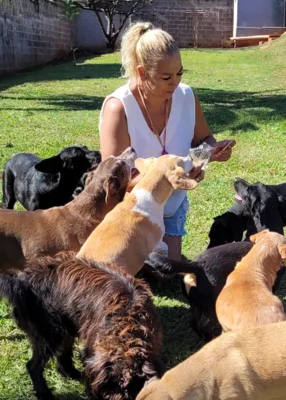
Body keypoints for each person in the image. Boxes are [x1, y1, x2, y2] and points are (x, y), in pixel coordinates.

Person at [99, 22, 235, 260]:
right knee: (140, 278)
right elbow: (113, 180)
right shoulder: (118, 108)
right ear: (142, 72)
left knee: (167, 272)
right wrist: (169, 176)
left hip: (173, 207)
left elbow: (203, 139)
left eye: (180, 73)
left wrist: (210, 152)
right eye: (165, 77)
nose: (175, 83)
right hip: (133, 212)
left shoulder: (186, 96)